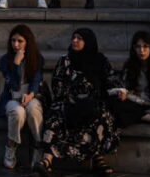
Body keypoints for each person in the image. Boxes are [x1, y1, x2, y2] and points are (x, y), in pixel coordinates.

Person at [33, 28, 120, 176]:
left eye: (79, 38)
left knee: (101, 116)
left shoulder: (100, 60)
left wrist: (117, 91)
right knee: (55, 117)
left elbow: (111, 80)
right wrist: (72, 99)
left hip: (93, 103)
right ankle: (47, 160)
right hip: (69, 102)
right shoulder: (65, 60)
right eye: (73, 38)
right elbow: (57, 84)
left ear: (88, 42)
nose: (74, 41)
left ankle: (98, 159)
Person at [0, 24, 45, 170]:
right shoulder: (5, 60)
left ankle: (38, 146)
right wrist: (16, 63)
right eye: (13, 41)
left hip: (31, 95)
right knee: (17, 112)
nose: (16, 44)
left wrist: (31, 94)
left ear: (27, 42)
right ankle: (11, 147)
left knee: (33, 110)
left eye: (20, 41)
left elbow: (37, 79)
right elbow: (14, 86)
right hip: (12, 97)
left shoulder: (37, 58)